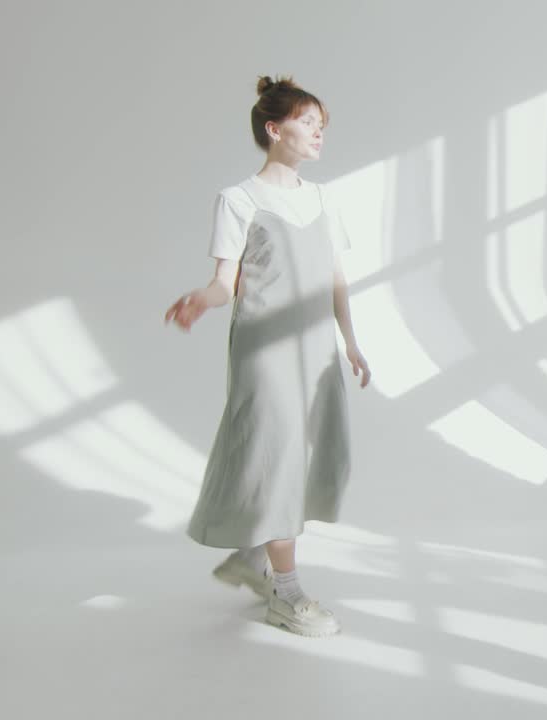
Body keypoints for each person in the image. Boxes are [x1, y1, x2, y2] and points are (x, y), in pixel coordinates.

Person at [165, 75, 371, 638]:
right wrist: (199, 302)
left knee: (307, 455)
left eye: (322, 125)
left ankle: (250, 558)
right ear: (274, 129)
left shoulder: (323, 198)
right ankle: (287, 592)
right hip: (265, 350)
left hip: (316, 349)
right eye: (309, 122)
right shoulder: (238, 200)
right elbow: (224, 284)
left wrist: (349, 340)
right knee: (275, 457)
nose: (318, 133)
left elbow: (334, 275)